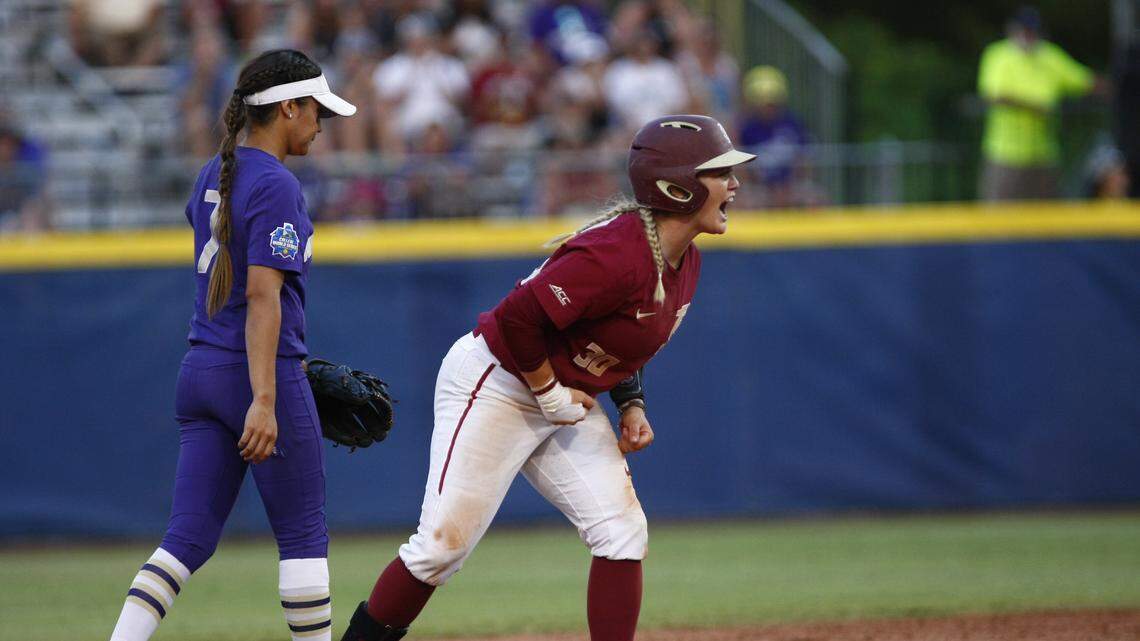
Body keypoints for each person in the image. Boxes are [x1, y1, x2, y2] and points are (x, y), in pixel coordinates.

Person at [339, 114, 755, 641]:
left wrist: (632, 404)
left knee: (621, 531)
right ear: (678, 186)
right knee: (441, 550)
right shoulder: (615, 252)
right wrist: (547, 392)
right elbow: (517, 318)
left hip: (560, 396)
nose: (735, 184)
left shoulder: (683, 259)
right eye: (721, 173)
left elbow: (626, 337)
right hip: (497, 380)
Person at [107, 49, 356, 641]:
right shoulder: (276, 184)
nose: (320, 124)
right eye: (315, 111)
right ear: (286, 108)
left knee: (185, 540)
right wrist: (266, 398)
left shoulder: (212, 173)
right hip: (255, 372)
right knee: (301, 535)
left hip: (201, 371)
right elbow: (263, 298)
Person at [977, 6, 1102, 201]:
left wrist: (1124, 90)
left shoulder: (1050, 56)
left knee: (1048, 223)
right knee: (1000, 223)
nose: (1028, 35)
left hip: (1044, 154)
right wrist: (1036, 108)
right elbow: (995, 95)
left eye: (1032, 30)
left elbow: (1086, 81)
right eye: (1024, 30)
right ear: (1012, 30)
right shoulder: (998, 55)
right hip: (1005, 155)